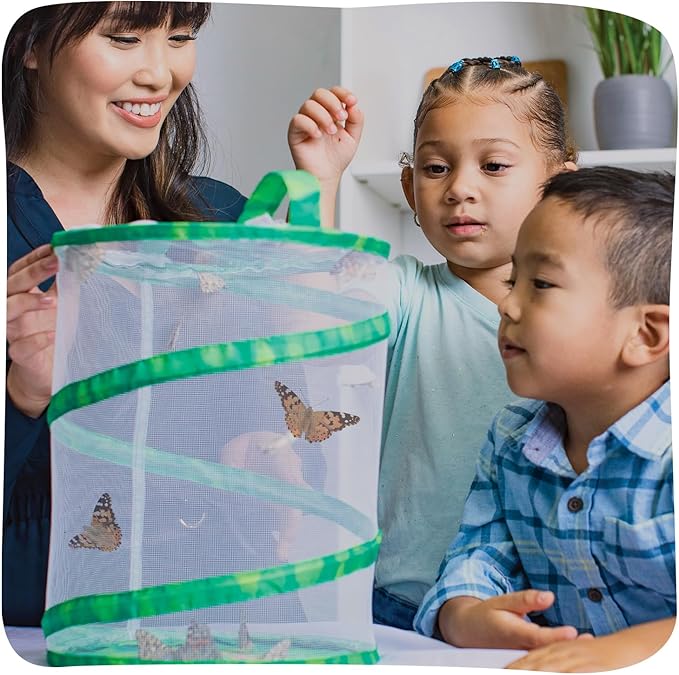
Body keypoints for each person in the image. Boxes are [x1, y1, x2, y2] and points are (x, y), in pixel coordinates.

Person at [4, 2, 352, 626]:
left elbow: (303, 435)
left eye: (181, 36)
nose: (160, 74)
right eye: (124, 38)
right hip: (59, 638)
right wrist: (21, 400)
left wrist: (270, 454)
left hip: (238, 627)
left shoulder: (222, 219)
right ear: (28, 41)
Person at [289, 56, 577, 629]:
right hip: (403, 604)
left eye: (493, 165)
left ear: (560, 186)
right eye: (436, 168)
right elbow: (309, 314)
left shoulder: (590, 316)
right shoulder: (402, 292)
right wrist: (319, 180)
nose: (459, 189)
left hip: (546, 611)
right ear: (409, 188)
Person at [414, 166, 675, 671]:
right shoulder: (509, 439)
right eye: (513, 280)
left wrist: (628, 652)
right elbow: (480, 554)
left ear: (645, 335)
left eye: (542, 284)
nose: (507, 305)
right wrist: (463, 613)